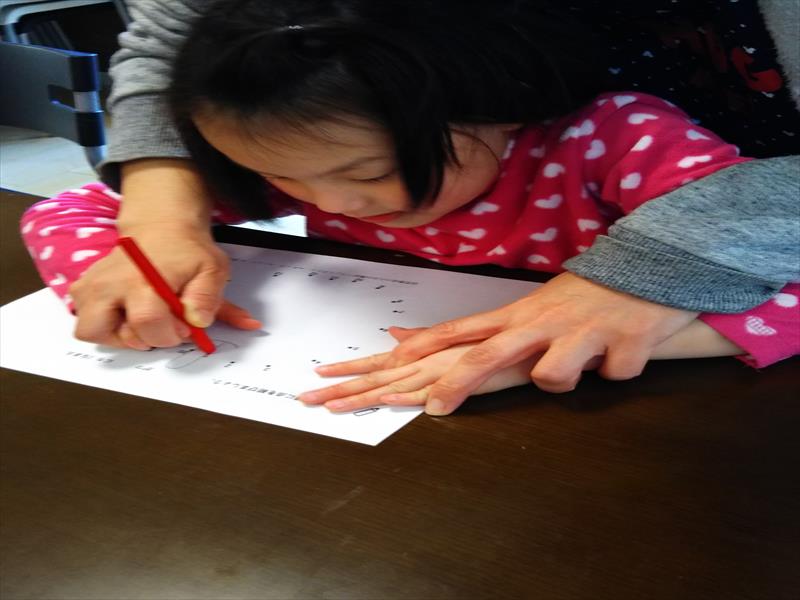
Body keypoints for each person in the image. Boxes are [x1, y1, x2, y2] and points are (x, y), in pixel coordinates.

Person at [20, 0, 800, 415]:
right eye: (278, 178)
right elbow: (66, 212)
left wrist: (542, 349)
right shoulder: (301, 148)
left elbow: (785, 286)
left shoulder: (616, 139)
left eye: (369, 172)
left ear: (498, 105)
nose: (329, 202)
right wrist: (139, 269)